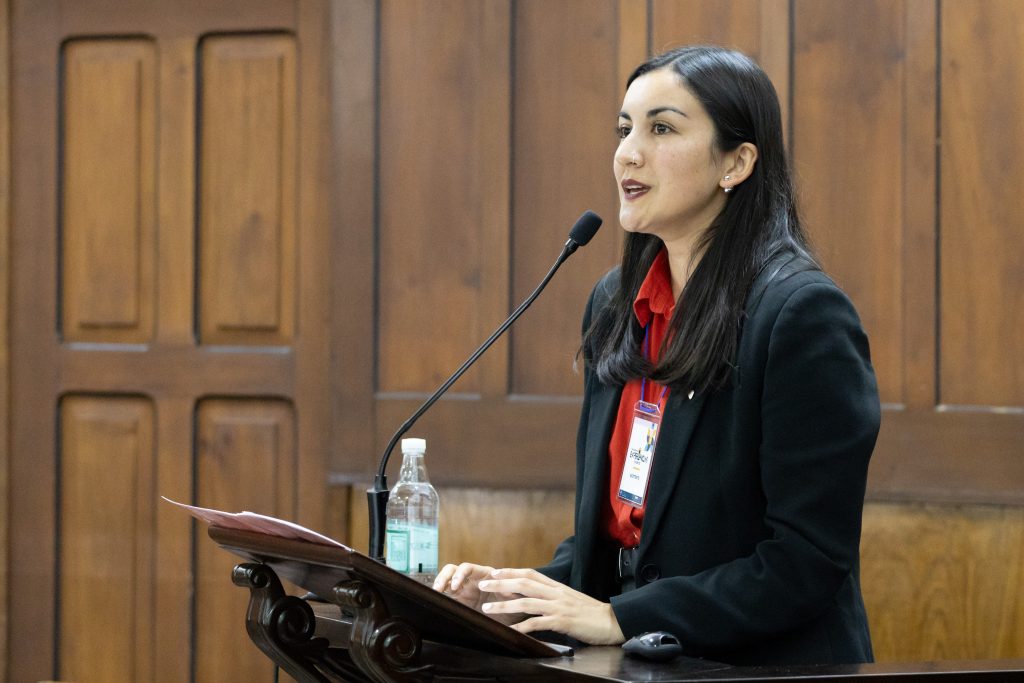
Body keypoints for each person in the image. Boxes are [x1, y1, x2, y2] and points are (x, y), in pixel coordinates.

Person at [432, 45, 880, 666]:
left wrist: (622, 616)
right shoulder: (617, 302)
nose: (628, 152)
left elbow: (804, 564)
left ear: (737, 162)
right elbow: (625, 538)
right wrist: (516, 595)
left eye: (661, 128)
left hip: (761, 668)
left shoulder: (800, 317)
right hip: (640, 663)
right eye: (624, 128)